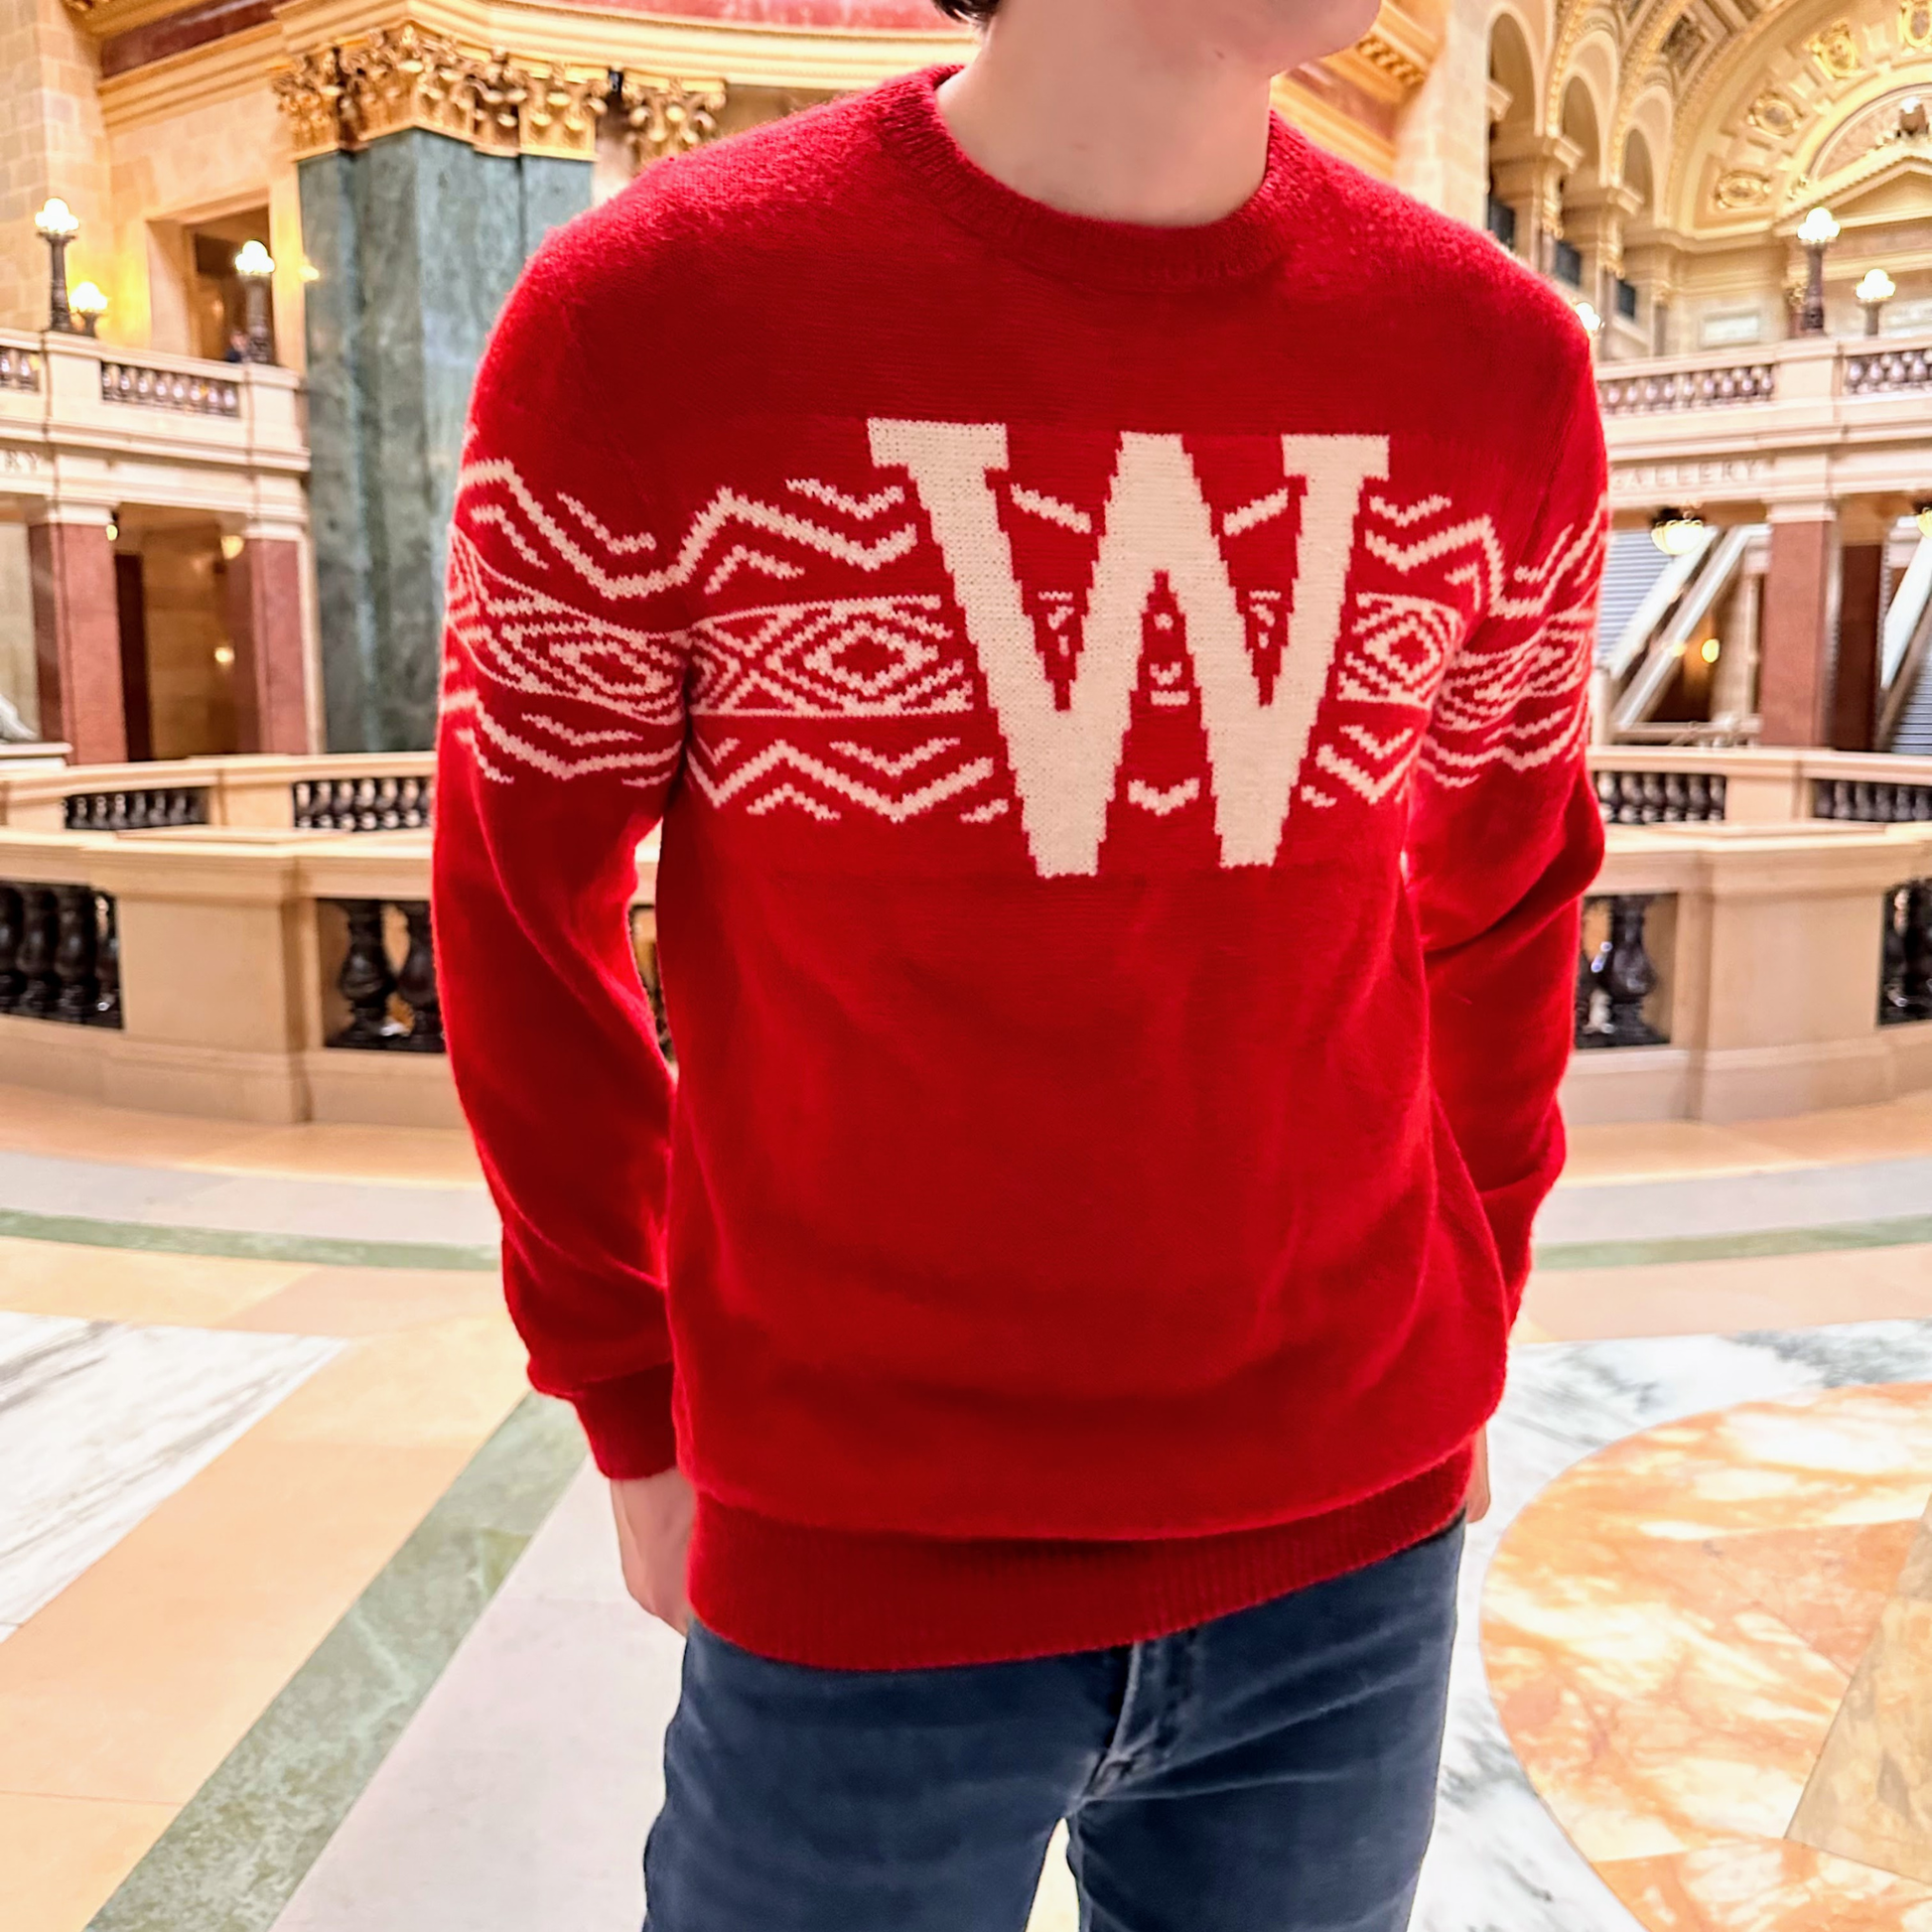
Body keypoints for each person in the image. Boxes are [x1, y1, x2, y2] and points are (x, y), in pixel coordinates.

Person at [431, 0, 1608, 1925]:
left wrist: (1464, 1330)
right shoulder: (655, 321)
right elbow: (515, 898)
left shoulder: (1494, 368)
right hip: (863, 1558)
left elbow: (1500, 898)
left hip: (1352, 1546)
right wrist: (627, 1387)